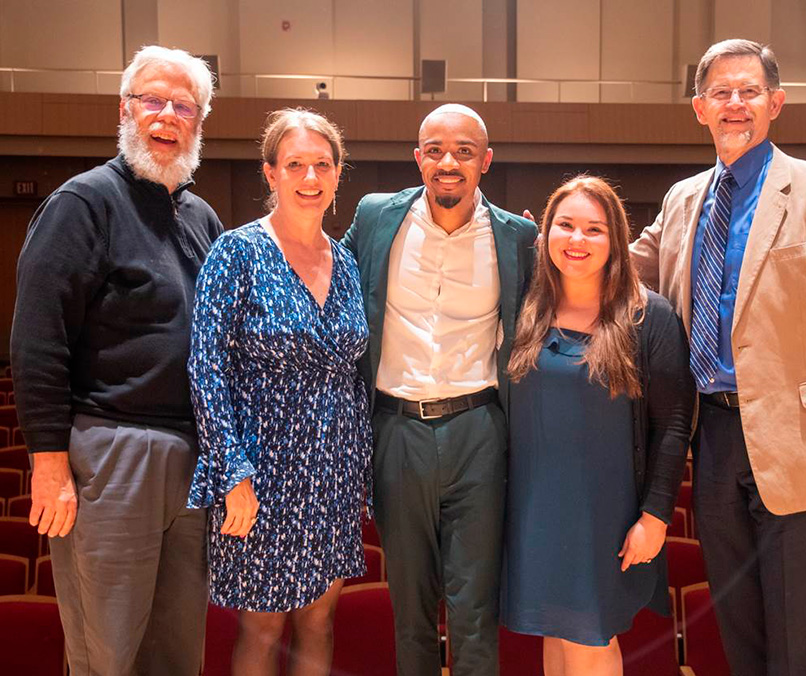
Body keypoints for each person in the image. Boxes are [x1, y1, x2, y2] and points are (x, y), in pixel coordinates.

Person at [630, 39, 806, 676]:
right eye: (721, 92)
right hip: (712, 437)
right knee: (739, 637)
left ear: (775, 103)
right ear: (699, 108)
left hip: (803, 447)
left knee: (801, 646)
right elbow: (626, 273)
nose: (736, 104)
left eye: (749, 92)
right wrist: (549, 242)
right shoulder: (684, 200)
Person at [10, 46, 220, 675]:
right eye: (151, 100)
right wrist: (49, 464)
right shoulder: (84, 203)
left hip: (191, 456)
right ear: (124, 109)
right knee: (108, 654)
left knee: (178, 652)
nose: (166, 115)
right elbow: (39, 340)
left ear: (199, 124)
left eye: (183, 106)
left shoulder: (202, 219)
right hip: (110, 450)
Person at [342, 103, 537, 676]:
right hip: (395, 428)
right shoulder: (377, 217)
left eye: (464, 151)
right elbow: (328, 286)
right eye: (434, 150)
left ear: (486, 162)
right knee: (410, 611)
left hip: (479, 429)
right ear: (417, 157)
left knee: (475, 611)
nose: (448, 162)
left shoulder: (518, 236)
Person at [187, 108, 371, 676]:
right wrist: (231, 472)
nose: (310, 177)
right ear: (271, 174)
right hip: (261, 472)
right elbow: (205, 367)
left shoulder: (346, 260)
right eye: (295, 164)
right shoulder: (237, 253)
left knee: (319, 620)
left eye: (322, 164)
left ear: (339, 174)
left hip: (335, 470)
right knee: (263, 625)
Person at [501, 176, 694, 675]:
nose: (578, 240)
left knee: (590, 637)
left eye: (595, 229)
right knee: (556, 634)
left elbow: (672, 425)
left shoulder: (648, 316)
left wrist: (655, 518)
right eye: (565, 226)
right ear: (547, 234)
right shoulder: (526, 309)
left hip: (603, 514)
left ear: (616, 241)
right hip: (534, 507)